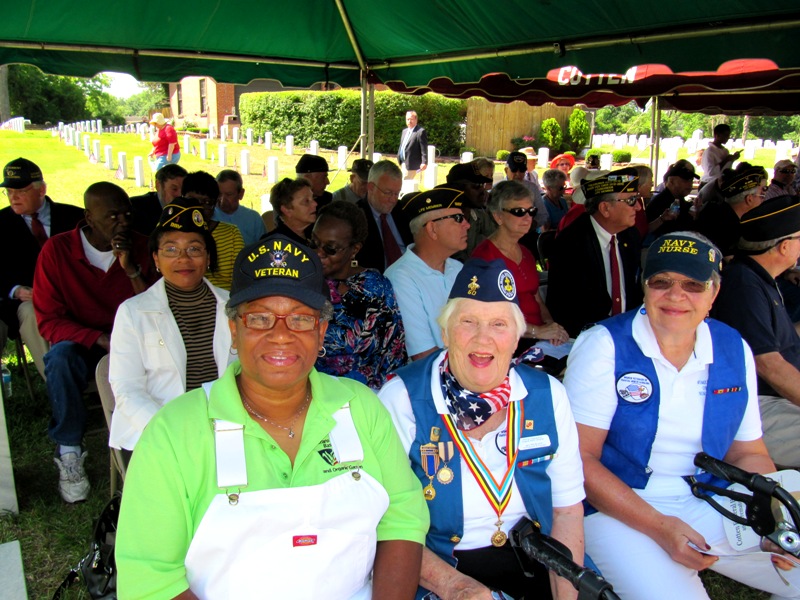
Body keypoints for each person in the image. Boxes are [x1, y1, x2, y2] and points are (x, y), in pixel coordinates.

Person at [116, 233, 429, 599]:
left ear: (321, 330)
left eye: (300, 319)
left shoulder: (360, 408)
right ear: (234, 330)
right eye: (261, 318)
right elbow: (150, 578)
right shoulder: (174, 432)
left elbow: (402, 516)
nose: (281, 336)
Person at [565, 231, 797, 600]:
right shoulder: (603, 345)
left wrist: (773, 521)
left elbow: (748, 453)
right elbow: (580, 459)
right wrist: (660, 527)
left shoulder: (732, 346)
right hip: (617, 506)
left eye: (693, 284)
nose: (676, 296)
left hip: (711, 497)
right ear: (644, 286)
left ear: (714, 294)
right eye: (662, 282)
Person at [379, 258, 585, 600]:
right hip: (439, 569)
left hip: (538, 557)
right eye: (468, 322)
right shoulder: (403, 398)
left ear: (518, 336)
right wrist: (456, 588)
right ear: (444, 332)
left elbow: (566, 510)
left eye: (499, 324)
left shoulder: (547, 394)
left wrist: (566, 594)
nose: (483, 338)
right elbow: (385, 522)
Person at [33, 182, 153, 502]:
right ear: (88, 217)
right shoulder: (57, 251)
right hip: (85, 340)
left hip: (139, 339)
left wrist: (131, 270)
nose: (123, 221)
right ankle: (70, 447)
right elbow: (48, 320)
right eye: (112, 215)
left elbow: (158, 309)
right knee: (61, 359)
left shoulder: (143, 247)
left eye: (127, 213)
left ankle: (156, 440)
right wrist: (98, 338)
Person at [109, 198, 232, 453]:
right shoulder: (133, 312)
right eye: (171, 249)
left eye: (195, 249)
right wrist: (169, 430)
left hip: (225, 427)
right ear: (156, 257)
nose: (183, 259)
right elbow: (127, 389)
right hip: (158, 429)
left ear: (208, 257)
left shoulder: (234, 306)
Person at [712, 196, 800, 467]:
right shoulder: (744, 286)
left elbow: (777, 339)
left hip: (779, 399)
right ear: (784, 246)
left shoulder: (759, 278)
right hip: (763, 404)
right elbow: (767, 364)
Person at [0, 157, 83, 379]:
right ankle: (58, 381)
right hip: (29, 298)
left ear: (41, 190)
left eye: (21, 191)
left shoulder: (74, 217)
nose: (13, 197)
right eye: (8, 191)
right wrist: (15, 289)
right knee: (32, 312)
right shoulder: (1, 223)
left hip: (76, 294)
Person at [310, 201, 407, 389]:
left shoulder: (375, 288)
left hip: (365, 396)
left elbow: (393, 353)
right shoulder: (301, 281)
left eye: (330, 249)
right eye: (314, 242)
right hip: (310, 392)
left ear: (354, 249)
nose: (318, 253)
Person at [472, 180, 569, 352]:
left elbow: (536, 297)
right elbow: (488, 316)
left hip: (538, 341)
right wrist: (537, 331)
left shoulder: (525, 252)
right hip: (507, 344)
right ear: (498, 216)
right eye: (519, 212)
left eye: (531, 211)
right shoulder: (485, 257)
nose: (528, 218)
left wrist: (549, 325)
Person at [547, 168, 643, 338]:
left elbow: (633, 292)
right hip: (587, 336)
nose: (638, 206)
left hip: (628, 331)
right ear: (605, 208)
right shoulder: (571, 244)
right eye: (631, 200)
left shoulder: (631, 236)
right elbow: (563, 307)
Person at [386, 187, 469, 361]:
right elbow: (422, 354)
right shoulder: (401, 277)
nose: (467, 225)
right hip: (430, 380)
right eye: (458, 219)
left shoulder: (458, 268)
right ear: (432, 229)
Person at [182, 171, 244, 291]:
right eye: (192, 201)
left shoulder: (231, 234)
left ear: (215, 204)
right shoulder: (171, 233)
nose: (198, 208)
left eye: (206, 203)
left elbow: (239, 280)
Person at [694, 166, 767, 258]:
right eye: (762, 194)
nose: (764, 199)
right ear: (749, 199)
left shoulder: (717, 212)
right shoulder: (725, 227)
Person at [354, 160, 412, 272]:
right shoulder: (356, 217)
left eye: (397, 193)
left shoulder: (404, 211)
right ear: (370, 187)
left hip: (411, 274)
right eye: (388, 192)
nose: (393, 199)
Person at [446, 162, 496, 262]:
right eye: (476, 186)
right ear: (458, 189)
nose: (482, 190)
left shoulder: (480, 216)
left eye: (482, 184)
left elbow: (499, 242)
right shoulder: (444, 221)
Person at [129, 163, 187, 236]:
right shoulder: (136, 208)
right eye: (174, 189)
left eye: (184, 190)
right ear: (158, 185)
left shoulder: (188, 209)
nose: (180, 194)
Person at [646, 160, 699, 239]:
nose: (689, 184)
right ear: (671, 181)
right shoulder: (661, 203)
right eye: (685, 180)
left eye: (691, 180)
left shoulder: (679, 200)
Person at [214, 169, 266, 245]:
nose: (222, 200)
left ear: (241, 194)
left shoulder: (253, 218)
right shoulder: (209, 217)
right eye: (219, 194)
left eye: (229, 194)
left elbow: (263, 249)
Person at [268, 177, 316, 244]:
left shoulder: (317, 235)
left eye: (313, 198)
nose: (315, 204)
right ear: (286, 210)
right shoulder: (274, 244)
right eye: (306, 201)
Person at [398, 110, 428, 180]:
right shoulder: (404, 131)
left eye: (411, 119)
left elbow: (424, 148)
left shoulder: (420, 132)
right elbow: (402, 146)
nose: (409, 121)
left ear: (416, 119)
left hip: (412, 163)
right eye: (407, 119)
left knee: (405, 181)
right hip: (403, 162)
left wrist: (424, 162)